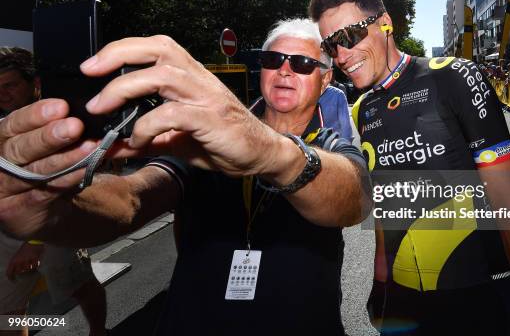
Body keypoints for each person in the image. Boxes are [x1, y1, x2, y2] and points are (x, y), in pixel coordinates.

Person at [0, 20, 372, 335]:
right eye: (274, 60)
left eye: (304, 63)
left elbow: (352, 198)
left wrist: (270, 151)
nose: (286, 70)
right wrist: (54, 211)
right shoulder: (206, 141)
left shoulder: (331, 146)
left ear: (325, 82)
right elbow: (133, 197)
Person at [309, 0, 510, 335]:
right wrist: (381, 281)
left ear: (385, 23)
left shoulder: (455, 77)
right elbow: (387, 209)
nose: (340, 55)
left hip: (478, 295)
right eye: (330, 45)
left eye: (349, 36)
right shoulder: (362, 109)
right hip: (405, 301)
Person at [0, 47, 107, 336]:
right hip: (11, 233)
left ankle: (99, 332)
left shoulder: (60, 122)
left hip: (54, 229)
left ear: (34, 85)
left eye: (10, 85)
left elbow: (69, 182)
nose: (3, 94)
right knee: (7, 313)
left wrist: (34, 243)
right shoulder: (4, 124)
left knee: (81, 288)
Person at [319, 70, 352, 141]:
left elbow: (345, 126)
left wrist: (345, 147)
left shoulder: (338, 94)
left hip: (332, 145)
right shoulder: (303, 96)